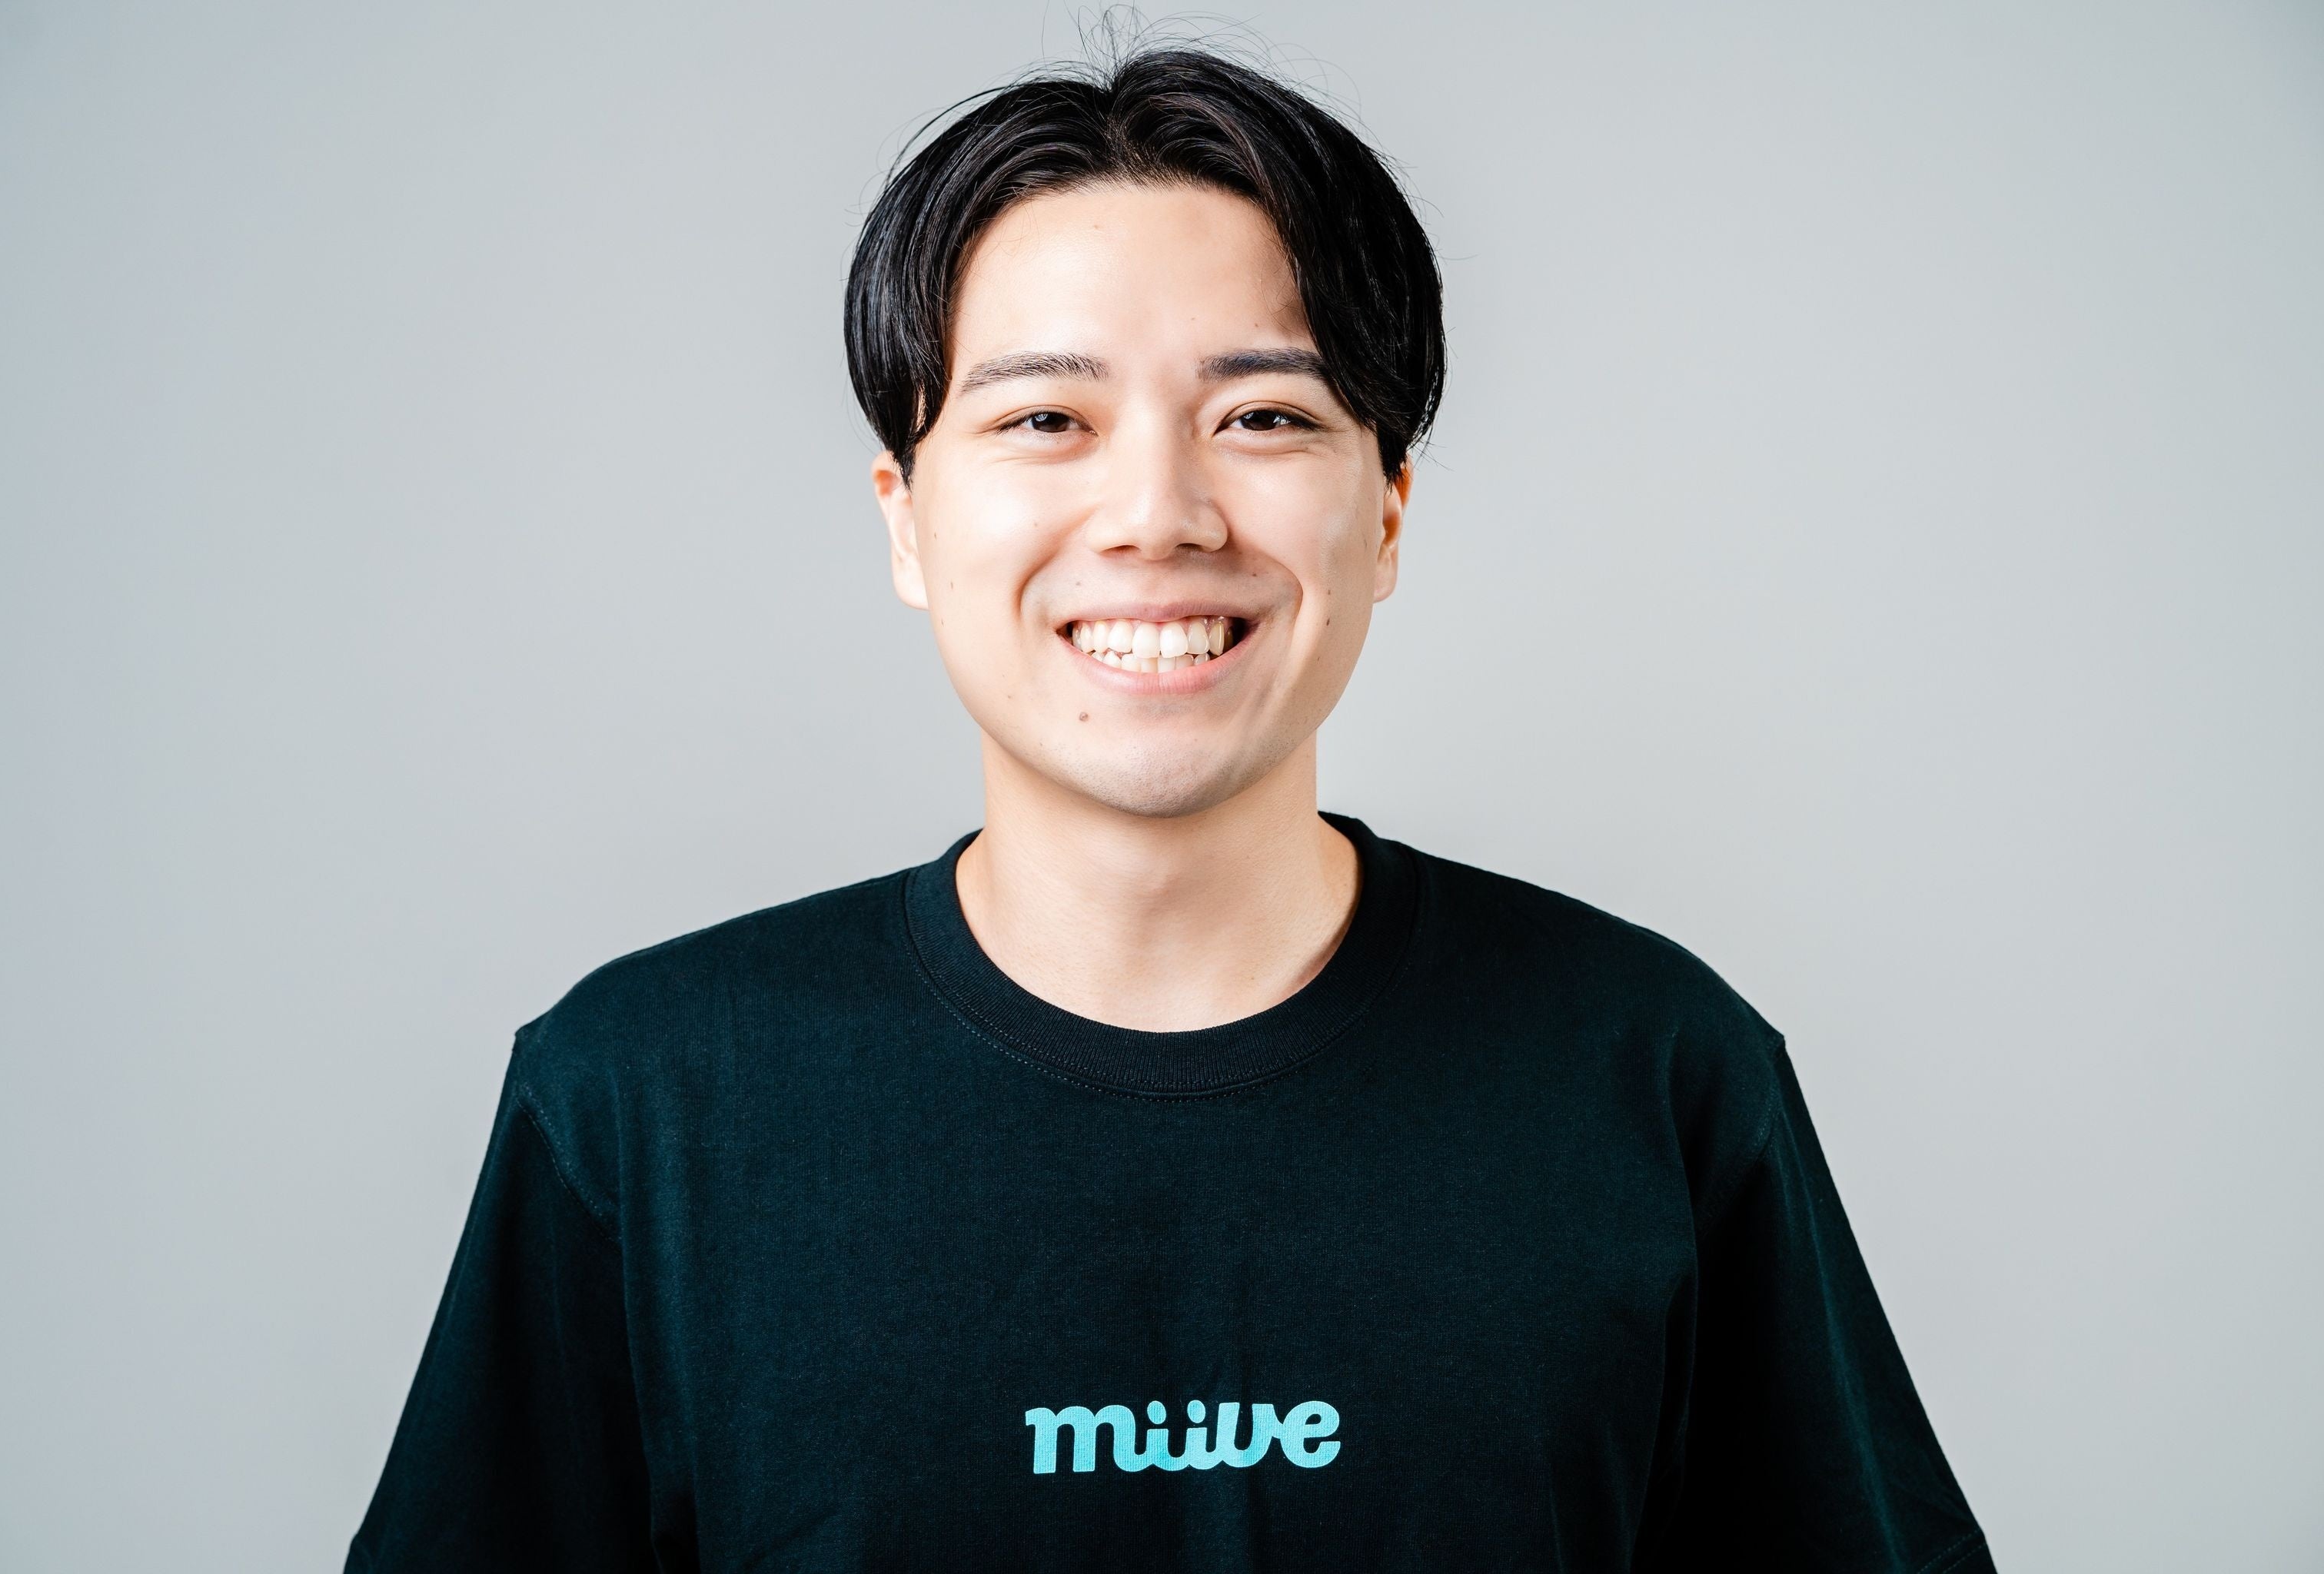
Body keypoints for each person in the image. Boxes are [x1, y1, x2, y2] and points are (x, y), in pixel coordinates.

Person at [347, 46, 1994, 1573]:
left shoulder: (1653, 1076)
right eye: (1045, 420)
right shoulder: (641, 1107)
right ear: (907, 518)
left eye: (1264, 417)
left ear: (1388, 511)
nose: (1157, 513)